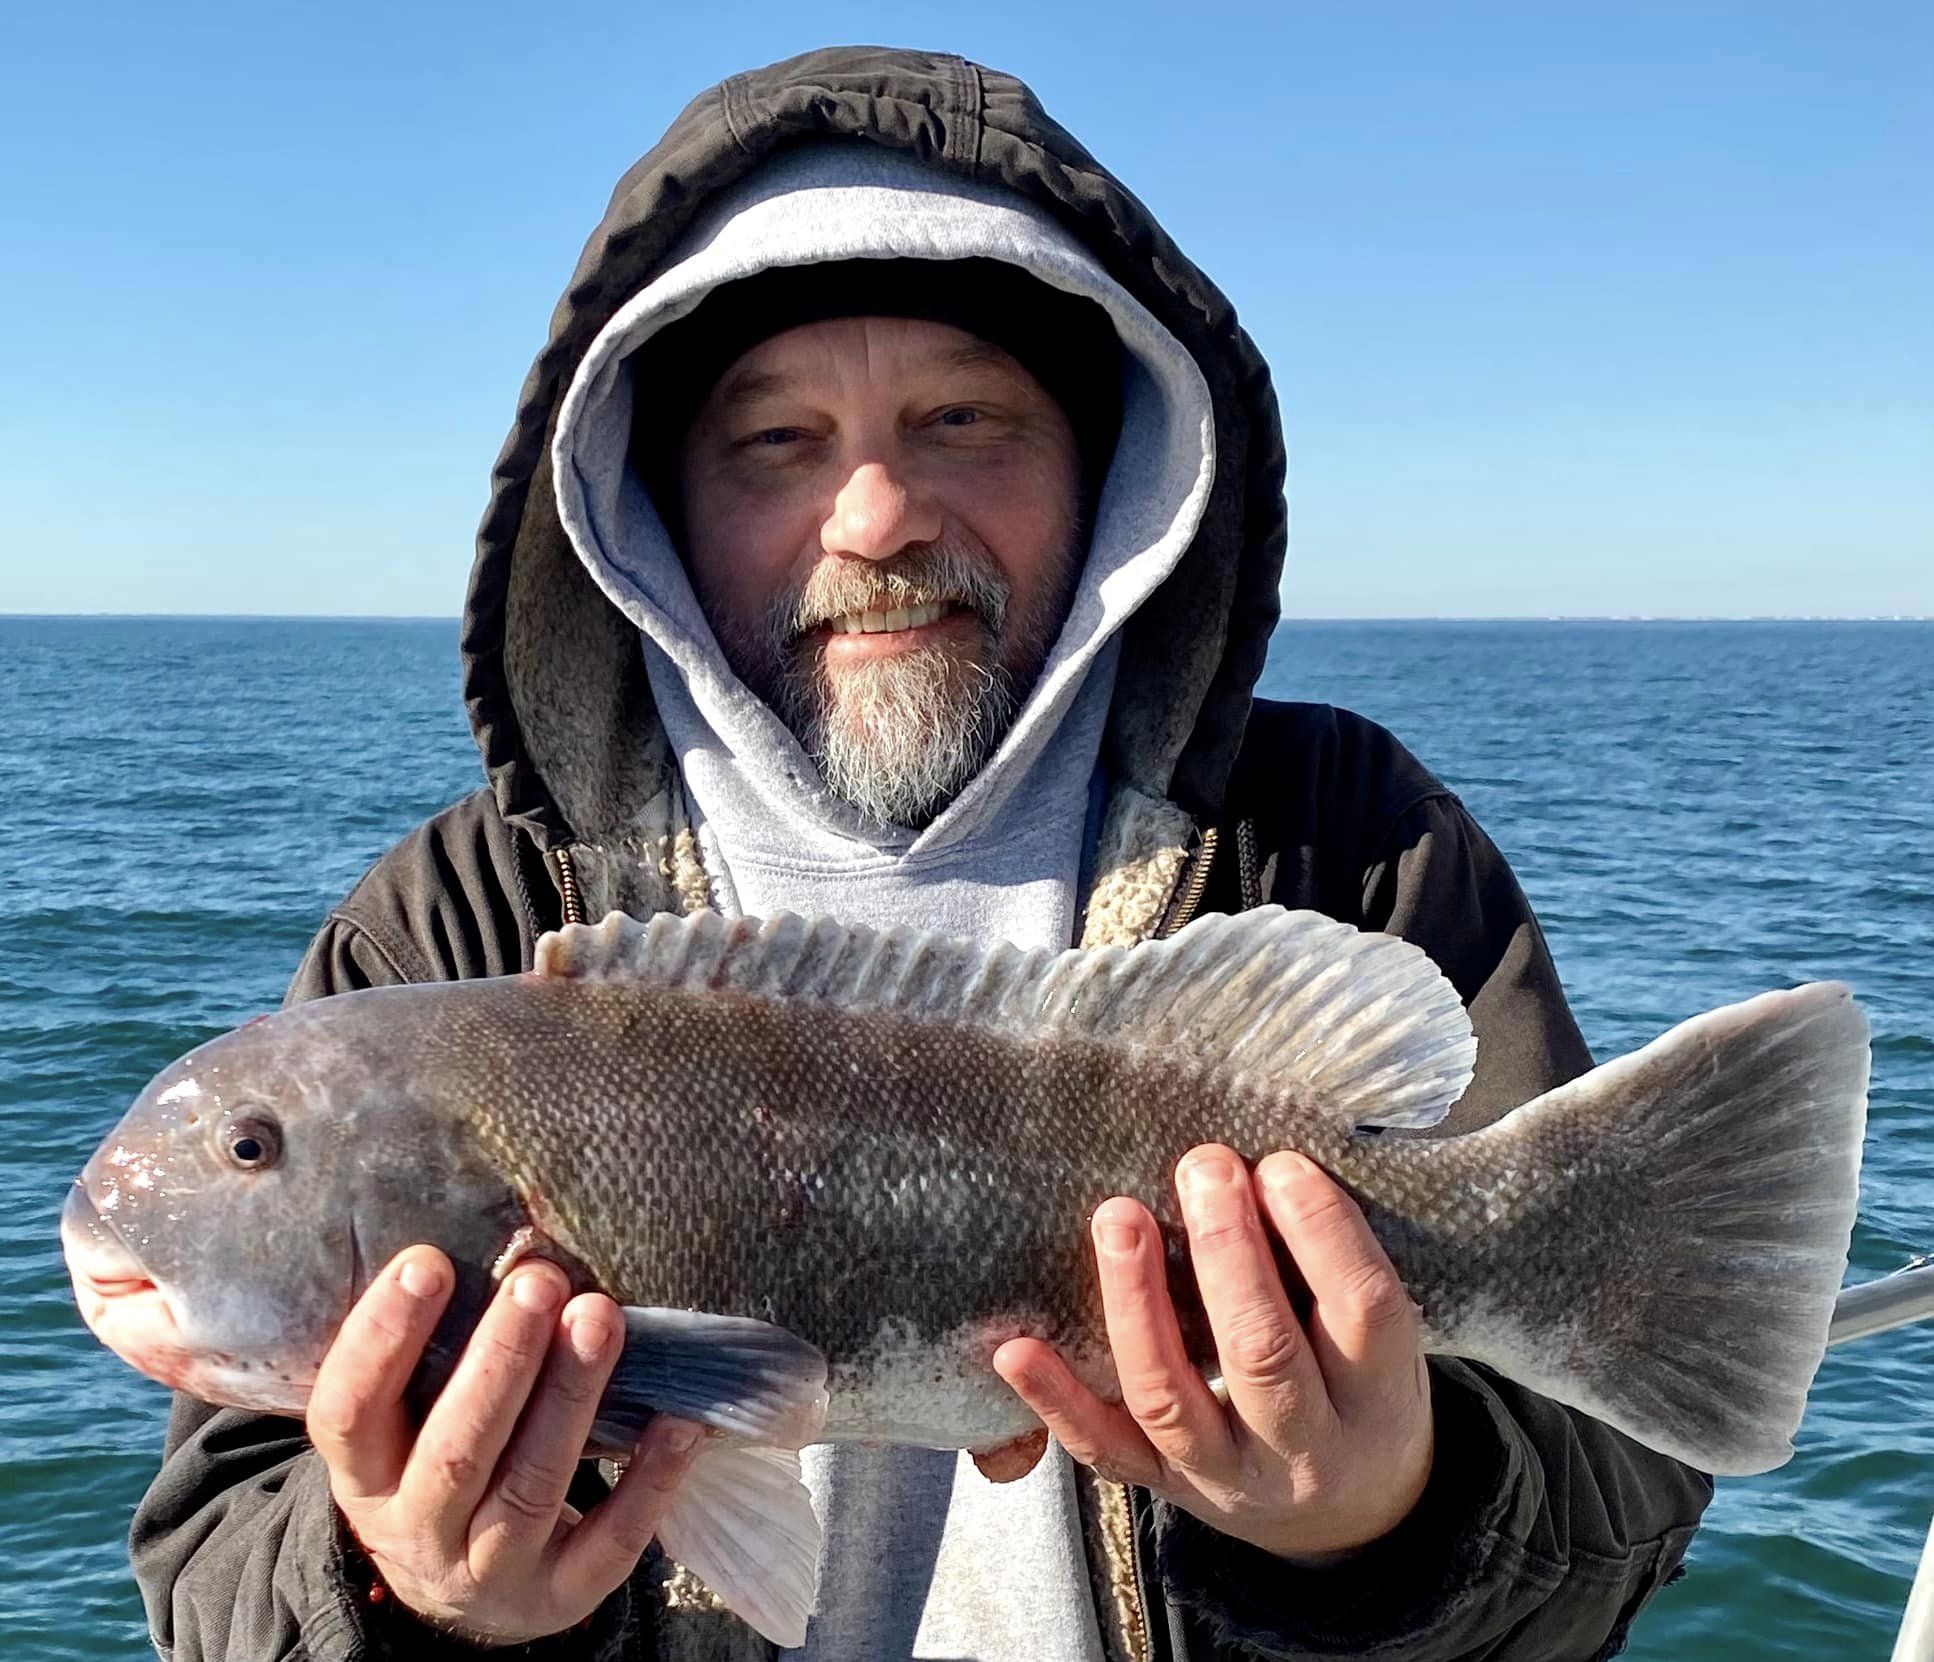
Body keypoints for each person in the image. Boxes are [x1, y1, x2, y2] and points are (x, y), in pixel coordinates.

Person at [130, 45, 1711, 1662]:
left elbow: (1615, 1512)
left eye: (962, 418)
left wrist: (1378, 1520)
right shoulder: (447, 929)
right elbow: (218, 1577)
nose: (874, 515)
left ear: (1111, 469)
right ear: (648, 504)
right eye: (774, 439)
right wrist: (415, 1595)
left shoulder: (1341, 839)